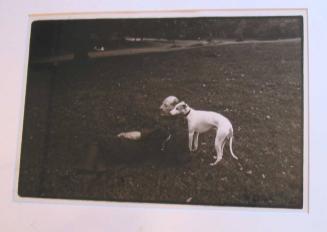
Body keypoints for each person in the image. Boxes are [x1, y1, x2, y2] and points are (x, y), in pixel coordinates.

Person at [77, 96, 190, 172]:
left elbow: (139, 135)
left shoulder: (164, 127)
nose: (160, 107)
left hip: (136, 150)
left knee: (98, 140)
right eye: (162, 104)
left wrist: (124, 135)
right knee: (105, 145)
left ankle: (85, 171)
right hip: (144, 153)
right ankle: (100, 168)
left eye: (165, 106)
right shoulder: (177, 126)